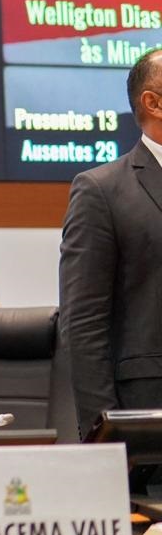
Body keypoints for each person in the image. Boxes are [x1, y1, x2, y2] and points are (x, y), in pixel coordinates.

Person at [60, 48, 162, 439]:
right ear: (152, 103)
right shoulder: (101, 190)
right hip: (148, 422)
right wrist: (106, 433)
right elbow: (83, 323)